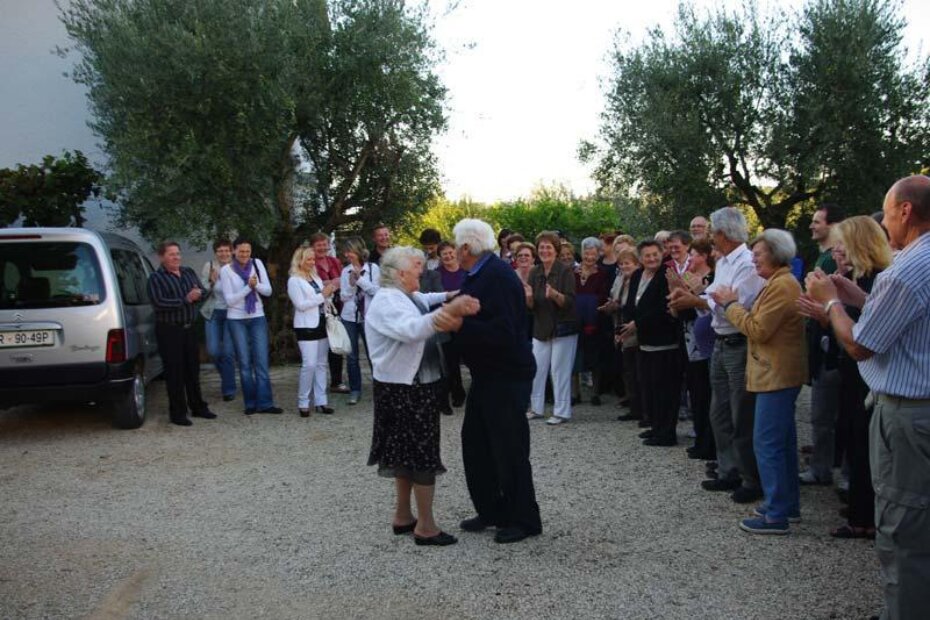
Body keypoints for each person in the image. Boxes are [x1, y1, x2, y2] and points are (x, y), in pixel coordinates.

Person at [805, 175, 930, 619]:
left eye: (887, 211)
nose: (884, 225)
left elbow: (860, 344)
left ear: (905, 212)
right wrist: (859, 296)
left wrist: (830, 304)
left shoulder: (909, 267)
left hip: (908, 414)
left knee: (903, 527)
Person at [365, 246, 479, 546]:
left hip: (406, 387)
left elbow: (423, 300)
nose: (422, 272)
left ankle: (403, 516)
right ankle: (426, 527)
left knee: (404, 454)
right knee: (421, 458)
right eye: (416, 268)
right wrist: (451, 310)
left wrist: (448, 296)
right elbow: (413, 329)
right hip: (406, 390)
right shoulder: (388, 301)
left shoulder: (402, 295)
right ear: (400, 274)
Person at [441, 218, 541, 544]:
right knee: (477, 444)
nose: (454, 250)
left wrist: (459, 328)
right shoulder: (478, 274)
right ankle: (492, 510)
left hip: (507, 373)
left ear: (467, 247)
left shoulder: (496, 276)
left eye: (456, 244)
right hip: (487, 373)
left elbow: (504, 332)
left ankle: (523, 519)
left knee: (509, 447)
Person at [798, 216, 891, 539]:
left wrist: (831, 309)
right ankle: (860, 506)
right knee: (854, 437)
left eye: (842, 245)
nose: (837, 251)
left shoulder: (879, 279)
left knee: (865, 444)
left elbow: (861, 339)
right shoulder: (857, 279)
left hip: (867, 374)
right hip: (851, 372)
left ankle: (864, 516)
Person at [711, 230, 806, 535]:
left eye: (759, 254)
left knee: (766, 442)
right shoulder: (777, 283)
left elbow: (758, 329)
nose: (753, 258)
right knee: (781, 442)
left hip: (775, 374)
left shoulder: (782, 286)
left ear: (777, 254)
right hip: (775, 373)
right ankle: (786, 504)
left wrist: (730, 305)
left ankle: (777, 514)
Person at [669, 207, 765, 503]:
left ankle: (750, 477)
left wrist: (694, 300)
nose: (710, 236)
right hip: (721, 342)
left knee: (740, 412)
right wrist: (697, 299)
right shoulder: (723, 261)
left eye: (713, 231)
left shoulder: (747, 264)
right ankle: (728, 469)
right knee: (719, 410)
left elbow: (734, 305)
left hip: (737, 342)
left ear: (723, 233)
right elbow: (715, 299)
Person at [621, 239, 682, 446]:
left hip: (664, 342)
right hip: (644, 342)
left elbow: (662, 308)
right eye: (647, 255)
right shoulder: (638, 274)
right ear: (641, 258)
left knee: (665, 390)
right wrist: (628, 322)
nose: (652, 258)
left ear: (661, 253)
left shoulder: (666, 275)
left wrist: (637, 323)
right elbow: (631, 302)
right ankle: (656, 427)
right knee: (649, 388)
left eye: (655, 254)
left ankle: (666, 433)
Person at [148, 241, 215, 426]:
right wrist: (186, 299)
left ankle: (198, 407)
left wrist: (200, 293)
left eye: (178, 253)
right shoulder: (156, 278)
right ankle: (178, 413)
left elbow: (201, 293)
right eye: (171, 254)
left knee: (193, 370)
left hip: (189, 328)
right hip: (169, 330)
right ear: (162, 257)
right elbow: (159, 303)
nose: (176, 257)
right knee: (174, 372)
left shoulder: (188, 272)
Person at [802, 202, 846, 486]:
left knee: (827, 413)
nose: (811, 226)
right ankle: (825, 461)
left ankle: (825, 467)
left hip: (833, 343)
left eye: (817, 221)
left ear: (832, 225)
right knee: (824, 414)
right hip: (822, 340)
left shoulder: (832, 260)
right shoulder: (823, 258)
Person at [220, 237, 283, 415]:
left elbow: (268, 291)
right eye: (241, 252)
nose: (245, 255)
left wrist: (255, 286)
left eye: (247, 252)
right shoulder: (226, 270)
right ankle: (250, 403)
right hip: (236, 319)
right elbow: (230, 300)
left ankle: (266, 403)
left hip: (257, 316)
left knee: (261, 361)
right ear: (234, 251)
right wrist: (249, 287)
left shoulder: (257, 264)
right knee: (245, 363)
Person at [526, 231, 578, 425]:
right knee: (537, 369)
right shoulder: (535, 272)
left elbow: (571, 302)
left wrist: (556, 295)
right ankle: (536, 408)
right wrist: (529, 298)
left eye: (548, 247)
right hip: (541, 327)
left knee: (559, 370)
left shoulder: (565, 271)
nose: (545, 250)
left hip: (562, 328)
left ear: (556, 250)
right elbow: (530, 307)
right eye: (541, 247)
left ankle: (562, 411)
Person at [674, 238, 716, 459]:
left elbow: (705, 307)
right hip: (689, 340)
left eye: (694, 255)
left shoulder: (711, 279)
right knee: (696, 392)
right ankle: (701, 438)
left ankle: (709, 443)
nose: (690, 259)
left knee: (705, 393)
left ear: (705, 256)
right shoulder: (690, 278)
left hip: (705, 344)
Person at [288, 246, 335, 417]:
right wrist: (323, 295)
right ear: (299, 260)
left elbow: (323, 299)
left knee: (322, 363)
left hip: (322, 322)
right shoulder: (294, 280)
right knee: (309, 364)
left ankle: (321, 401)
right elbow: (300, 305)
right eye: (308, 259)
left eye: (313, 259)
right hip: (306, 326)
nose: (312, 262)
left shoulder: (315, 277)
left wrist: (329, 294)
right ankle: (303, 401)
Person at [339, 236, 380, 406]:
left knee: (373, 355)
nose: (347, 254)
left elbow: (377, 291)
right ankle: (355, 390)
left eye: (350, 251)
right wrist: (350, 285)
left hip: (369, 317)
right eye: (345, 252)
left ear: (357, 251)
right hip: (349, 317)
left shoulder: (373, 268)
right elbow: (343, 296)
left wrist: (360, 279)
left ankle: (379, 389)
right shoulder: (345, 271)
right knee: (351, 356)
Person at [308, 232, 349, 397]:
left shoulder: (335, 261)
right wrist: (332, 283)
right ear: (312, 247)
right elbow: (314, 285)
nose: (323, 248)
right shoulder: (310, 263)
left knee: (336, 345)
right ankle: (317, 383)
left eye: (325, 244)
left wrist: (329, 284)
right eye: (319, 245)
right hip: (318, 309)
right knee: (319, 348)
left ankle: (336, 381)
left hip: (336, 307)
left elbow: (342, 281)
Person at [573, 237, 610, 405]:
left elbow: (603, 296)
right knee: (574, 357)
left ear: (598, 254)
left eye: (593, 254)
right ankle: (575, 394)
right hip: (575, 321)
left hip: (596, 320)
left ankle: (595, 393)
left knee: (596, 358)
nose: (589, 257)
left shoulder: (602, 273)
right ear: (582, 253)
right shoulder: (573, 272)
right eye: (586, 253)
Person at [200, 239, 237, 402]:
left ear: (232, 252)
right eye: (220, 251)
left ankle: (228, 389)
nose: (224, 254)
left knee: (228, 352)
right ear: (216, 253)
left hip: (232, 313)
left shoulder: (238, 267)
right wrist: (211, 281)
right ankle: (227, 377)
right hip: (213, 312)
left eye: (227, 251)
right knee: (213, 351)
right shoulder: (209, 266)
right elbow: (202, 291)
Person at [611, 248, 642, 423]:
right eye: (621, 263)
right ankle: (634, 407)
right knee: (629, 371)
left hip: (636, 328)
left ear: (636, 264)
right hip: (623, 326)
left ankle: (642, 409)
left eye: (627, 263)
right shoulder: (621, 280)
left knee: (637, 372)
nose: (624, 266)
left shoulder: (639, 280)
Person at [436, 241, 467, 409]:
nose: (448, 256)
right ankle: (456, 392)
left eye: (450, 252)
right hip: (447, 321)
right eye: (444, 254)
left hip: (466, 320)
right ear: (440, 257)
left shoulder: (466, 270)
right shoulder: (436, 274)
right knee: (451, 360)